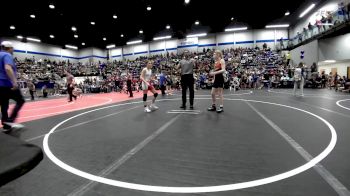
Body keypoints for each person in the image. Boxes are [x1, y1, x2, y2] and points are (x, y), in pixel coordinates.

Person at [0, 41, 25, 133]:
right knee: (21, 100)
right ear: (9, 48)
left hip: (0, 87)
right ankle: (10, 121)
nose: (13, 50)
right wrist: (14, 82)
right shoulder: (7, 55)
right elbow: (7, 68)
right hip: (7, 84)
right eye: (12, 48)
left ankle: (6, 126)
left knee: (4, 105)